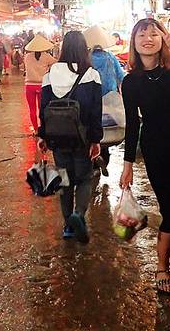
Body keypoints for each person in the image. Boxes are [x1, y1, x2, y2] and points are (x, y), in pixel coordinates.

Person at [119, 19, 170, 295]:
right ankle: (162, 267)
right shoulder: (130, 82)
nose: (148, 39)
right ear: (134, 42)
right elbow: (132, 124)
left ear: (163, 40)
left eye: (154, 34)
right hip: (156, 152)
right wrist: (127, 165)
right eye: (142, 34)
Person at [37, 31, 103, 243]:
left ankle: (68, 226)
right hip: (82, 138)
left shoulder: (49, 75)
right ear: (84, 49)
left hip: (57, 138)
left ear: (63, 48)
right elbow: (95, 112)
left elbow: (43, 109)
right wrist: (96, 140)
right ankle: (78, 215)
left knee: (64, 180)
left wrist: (42, 136)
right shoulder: (91, 75)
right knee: (83, 179)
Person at [83, 25, 125, 176]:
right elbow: (121, 76)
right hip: (109, 98)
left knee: (92, 130)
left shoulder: (86, 58)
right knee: (106, 132)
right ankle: (104, 158)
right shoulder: (110, 57)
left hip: (90, 99)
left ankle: (94, 162)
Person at [23, 34, 57, 133]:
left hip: (29, 86)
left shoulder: (27, 57)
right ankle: (43, 128)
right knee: (42, 108)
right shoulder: (46, 56)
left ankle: (36, 129)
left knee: (32, 109)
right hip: (42, 86)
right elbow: (56, 63)